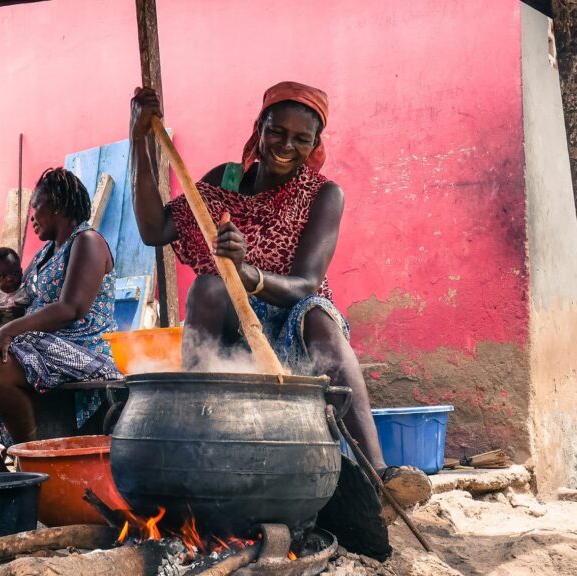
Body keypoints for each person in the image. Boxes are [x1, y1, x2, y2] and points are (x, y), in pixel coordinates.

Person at [129, 81, 431, 507]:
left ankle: (378, 473)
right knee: (209, 286)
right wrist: (139, 138)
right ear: (259, 127)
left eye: (301, 138)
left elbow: (307, 284)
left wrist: (249, 272)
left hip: (295, 324)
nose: (285, 145)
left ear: (315, 143)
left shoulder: (324, 194)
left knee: (319, 315)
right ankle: (198, 441)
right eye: (276, 132)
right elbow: (151, 230)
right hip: (234, 336)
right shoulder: (226, 182)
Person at [0, 167, 122, 473]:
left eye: (37, 207)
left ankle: (32, 464)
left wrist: (9, 331)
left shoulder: (87, 241)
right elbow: (12, 300)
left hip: (82, 348)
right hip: (40, 345)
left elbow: (72, 308)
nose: (32, 216)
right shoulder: (44, 254)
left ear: (56, 204)